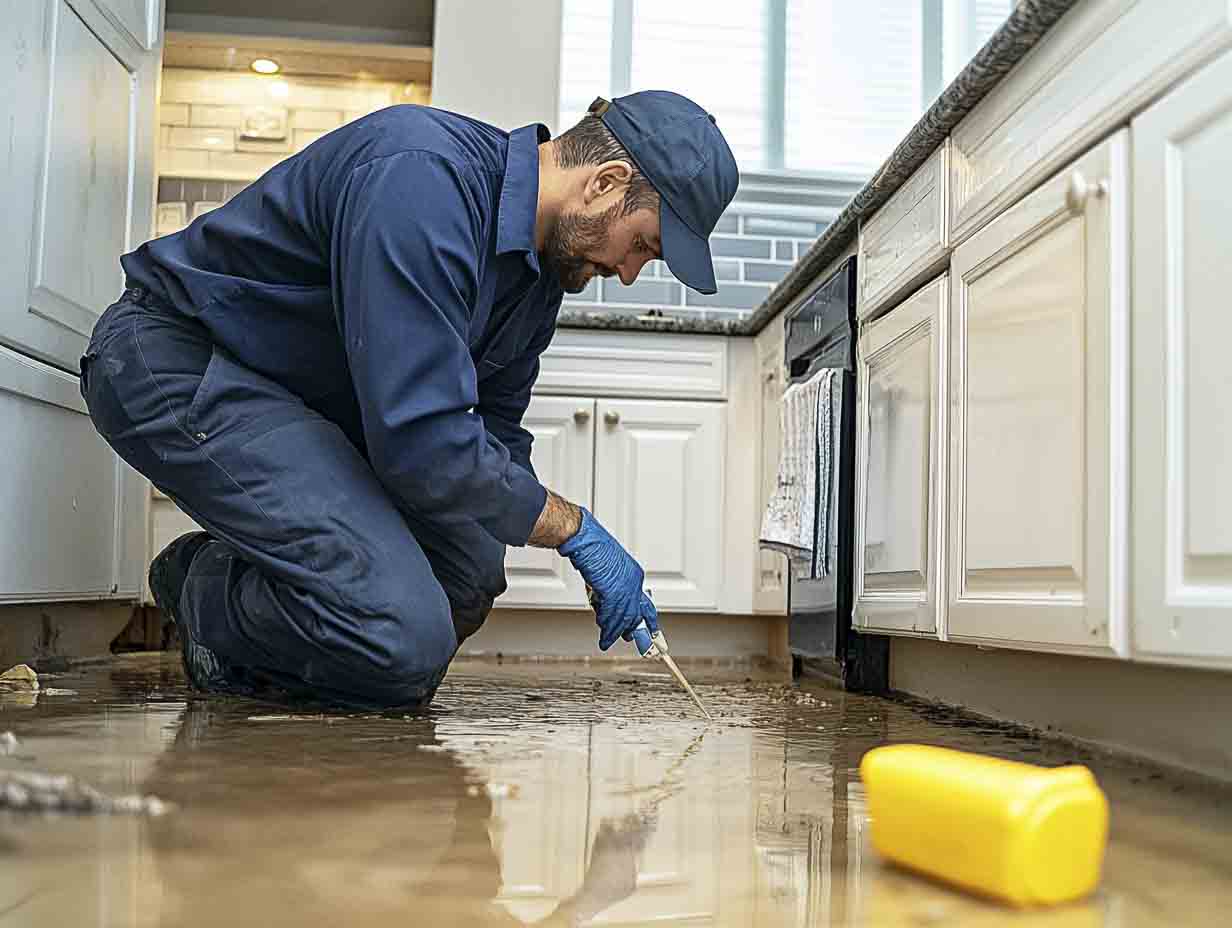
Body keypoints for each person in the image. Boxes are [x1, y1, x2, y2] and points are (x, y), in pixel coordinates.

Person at [80, 91, 738, 708]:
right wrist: (573, 530)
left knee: (468, 573)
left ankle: (249, 652)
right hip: (178, 356)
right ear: (605, 183)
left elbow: (496, 429)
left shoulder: (540, 280)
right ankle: (199, 581)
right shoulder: (421, 176)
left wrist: (537, 518)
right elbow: (422, 442)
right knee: (401, 636)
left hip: (298, 406)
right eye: (644, 246)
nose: (627, 273)